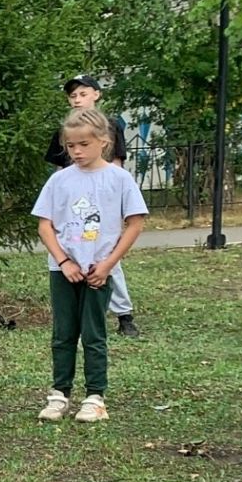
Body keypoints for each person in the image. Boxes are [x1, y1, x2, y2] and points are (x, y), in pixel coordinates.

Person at [33, 106, 147, 423]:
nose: (77, 151)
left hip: (98, 271)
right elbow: (45, 226)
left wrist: (108, 264)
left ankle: (95, 397)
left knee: (94, 335)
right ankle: (60, 395)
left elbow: (135, 223)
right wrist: (64, 261)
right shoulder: (59, 181)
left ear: (103, 142)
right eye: (71, 146)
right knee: (63, 334)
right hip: (63, 271)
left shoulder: (119, 179)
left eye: (84, 144)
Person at [46, 76, 139, 337]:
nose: (77, 100)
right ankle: (73, 312)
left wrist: (114, 204)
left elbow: (117, 165)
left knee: (106, 259)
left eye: (83, 94)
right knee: (71, 253)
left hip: (101, 204)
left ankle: (124, 314)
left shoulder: (110, 127)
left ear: (96, 95)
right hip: (73, 204)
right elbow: (59, 169)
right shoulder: (64, 129)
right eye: (73, 96)